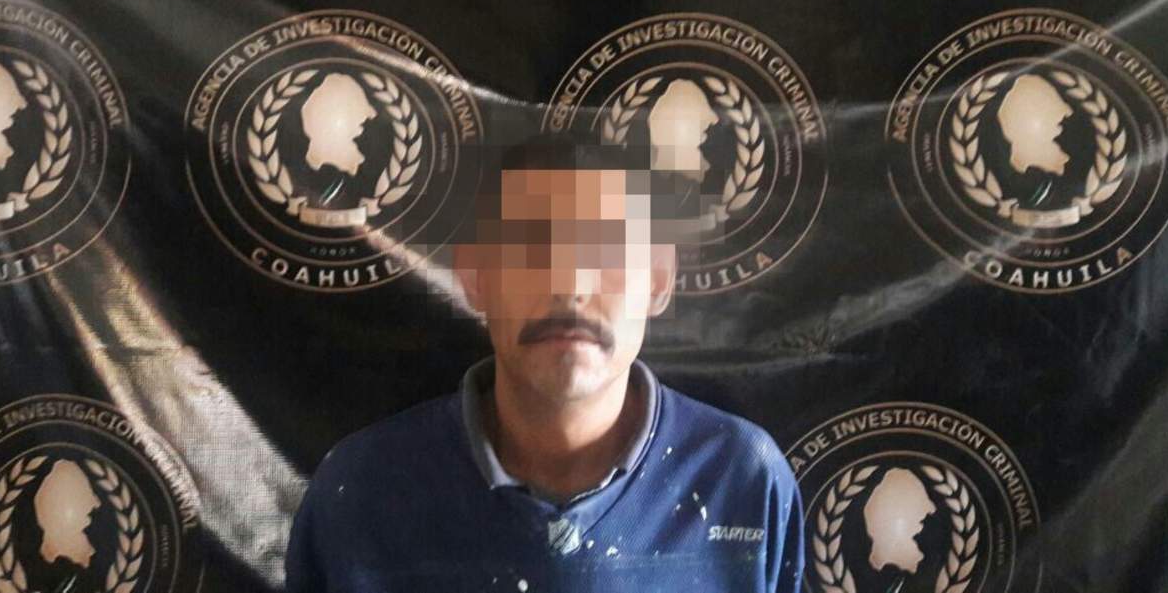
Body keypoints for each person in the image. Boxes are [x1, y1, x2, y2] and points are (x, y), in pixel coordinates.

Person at [285, 132, 804, 593]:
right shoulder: (364, 489)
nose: (570, 285)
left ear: (658, 280)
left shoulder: (740, 476)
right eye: (533, 245)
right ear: (475, 276)